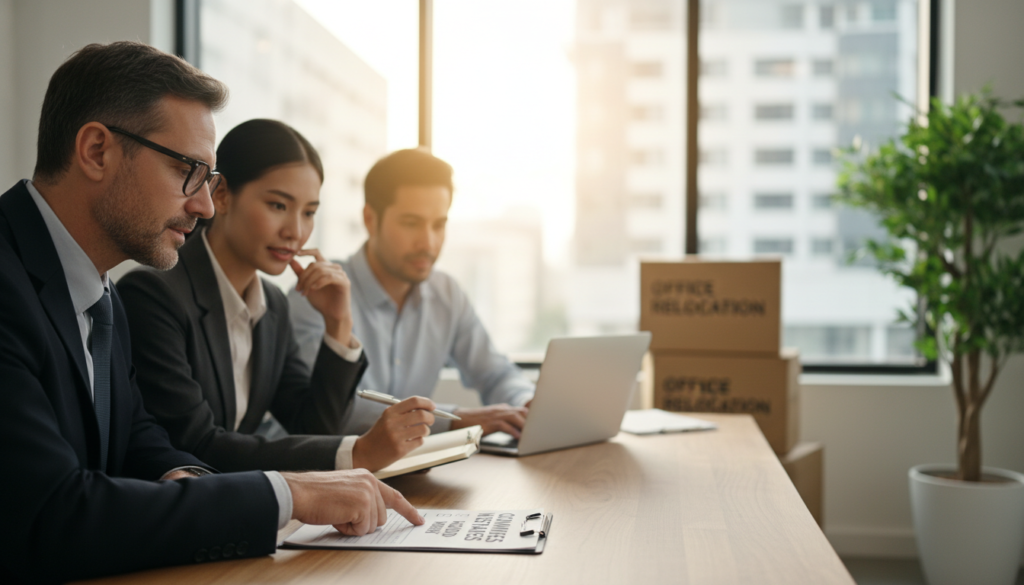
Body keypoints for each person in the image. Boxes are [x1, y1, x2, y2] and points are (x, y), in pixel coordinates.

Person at [0, 41, 421, 584]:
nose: (203, 205)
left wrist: (189, 479)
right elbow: (49, 515)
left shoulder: (97, 293)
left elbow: (136, 439)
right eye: (186, 170)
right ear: (97, 151)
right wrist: (284, 494)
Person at [118, 119, 435, 474]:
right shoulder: (154, 296)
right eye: (278, 206)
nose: (295, 231)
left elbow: (311, 426)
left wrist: (338, 322)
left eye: (309, 212)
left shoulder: (273, 305)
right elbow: (196, 445)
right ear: (220, 194)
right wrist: (355, 454)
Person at [289, 148, 534, 439]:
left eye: (438, 225)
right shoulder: (318, 295)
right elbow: (331, 414)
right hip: (325, 474)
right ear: (370, 219)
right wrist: (457, 420)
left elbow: (495, 372)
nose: (428, 242)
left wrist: (525, 404)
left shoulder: (447, 294)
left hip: (411, 473)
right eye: (411, 223)